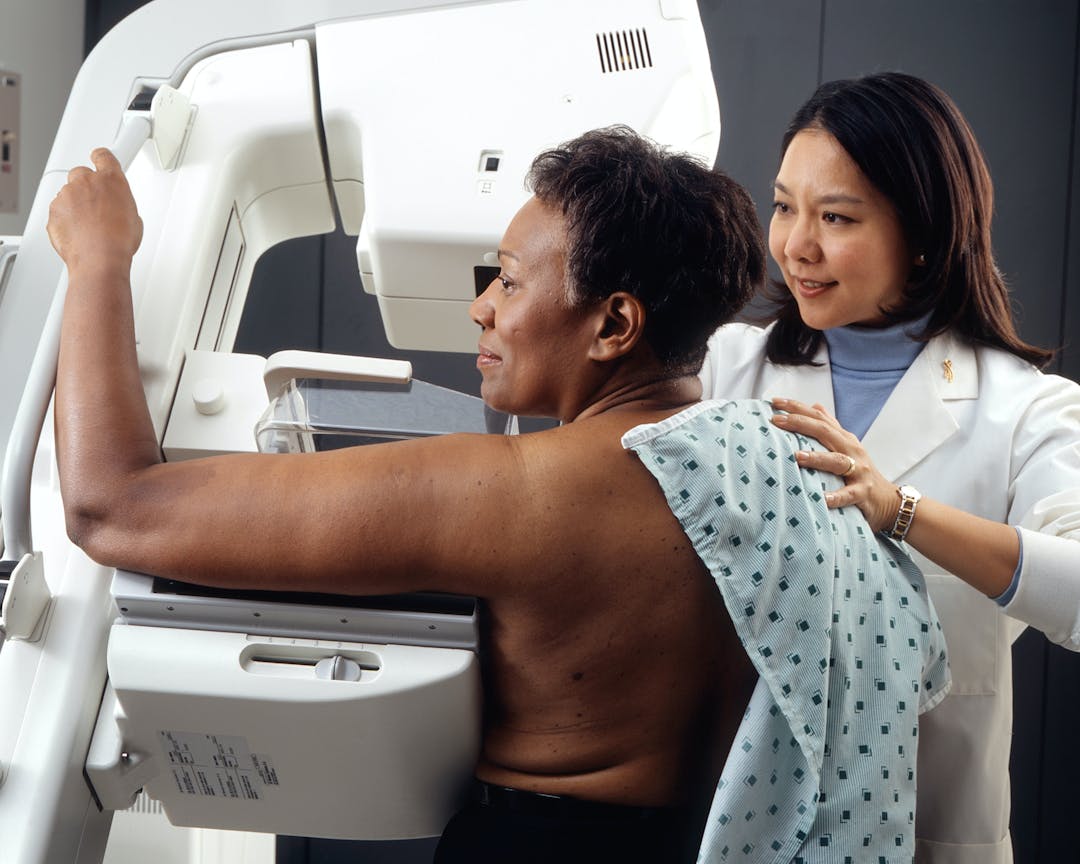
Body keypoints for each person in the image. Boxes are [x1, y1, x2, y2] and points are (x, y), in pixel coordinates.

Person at [47, 126, 947, 863]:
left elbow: (111, 505)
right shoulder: (792, 466)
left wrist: (98, 263)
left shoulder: (519, 494)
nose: (481, 308)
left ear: (614, 324)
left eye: (510, 282)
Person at [699, 71, 1080, 864]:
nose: (796, 245)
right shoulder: (720, 371)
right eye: (784, 206)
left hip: (933, 838)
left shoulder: (1024, 410)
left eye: (835, 217)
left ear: (925, 236)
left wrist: (901, 510)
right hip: (743, 827)